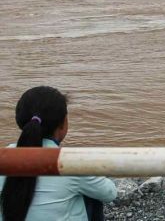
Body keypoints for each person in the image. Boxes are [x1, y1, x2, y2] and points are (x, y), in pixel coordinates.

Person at [0, 86, 117, 221]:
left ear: (20, 121)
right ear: (63, 124)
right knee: (91, 194)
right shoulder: (71, 162)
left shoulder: (4, 156)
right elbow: (110, 193)